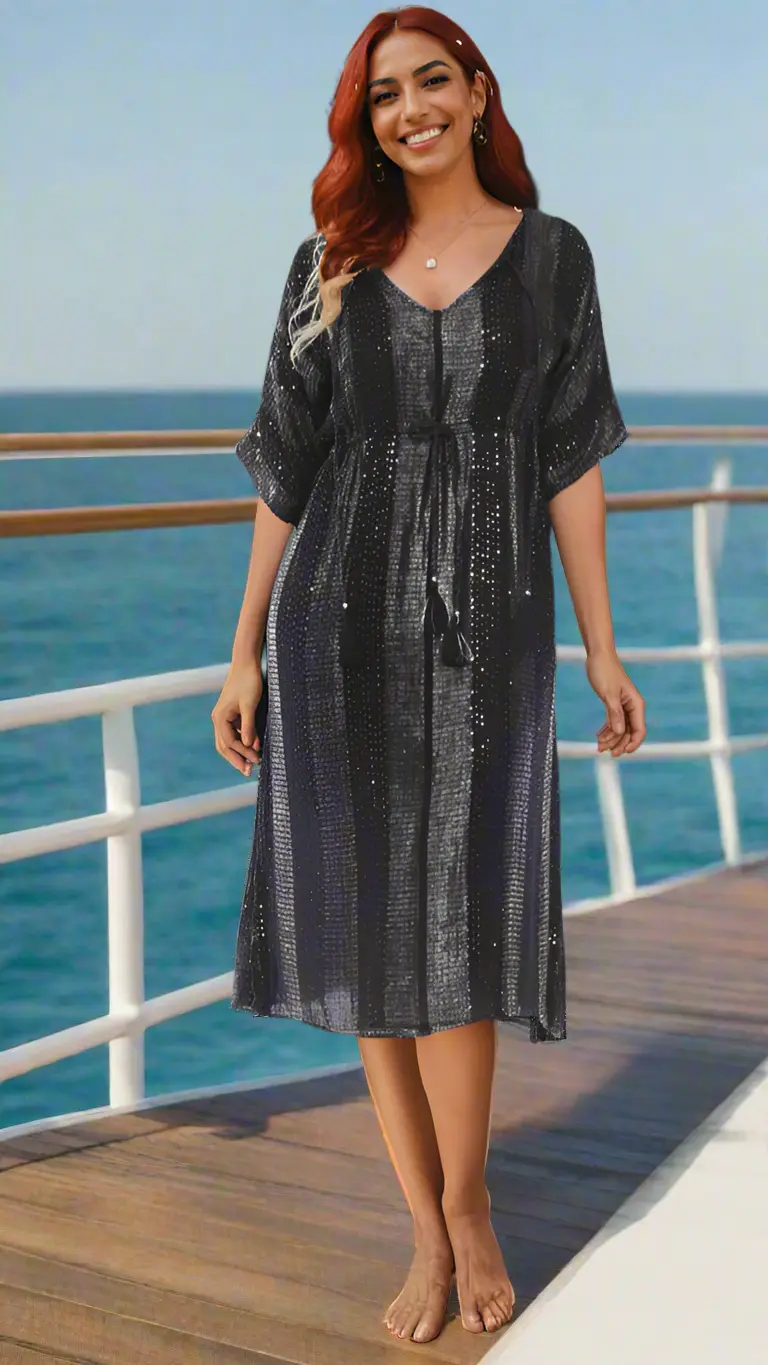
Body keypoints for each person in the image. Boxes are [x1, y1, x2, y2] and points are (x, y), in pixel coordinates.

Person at [212, 3, 647, 1346]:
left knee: (463, 926)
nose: (411, 110)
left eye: (431, 82)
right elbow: (288, 464)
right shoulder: (328, 262)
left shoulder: (555, 257)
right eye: (384, 95)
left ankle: (471, 1204)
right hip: (333, 622)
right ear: (369, 122)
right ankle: (424, 1223)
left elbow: (570, 460)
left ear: (477, 90)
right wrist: (242, 647)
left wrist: (601, 643)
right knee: (364, 929)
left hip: (492, 631)